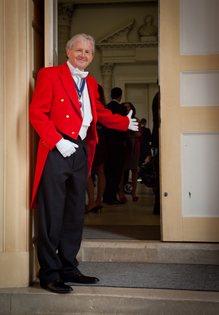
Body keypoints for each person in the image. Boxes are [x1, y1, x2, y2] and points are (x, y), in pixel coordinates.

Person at [29, 33, 138, 294]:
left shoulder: (90, 82)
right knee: (52, 214)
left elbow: (97, 112)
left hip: (80, 151)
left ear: (91, 56)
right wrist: (56, 140)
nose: (83, 55)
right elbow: (37, 112)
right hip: (58, 149)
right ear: (68, 51)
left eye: (88, 52)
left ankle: (69, 267)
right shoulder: (49, 74)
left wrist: (123, 122)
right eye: (78, 50)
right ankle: (49, 273)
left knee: (75, 212)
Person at [102, 87, 128, 205]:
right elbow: (123, 127)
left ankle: (105, 196)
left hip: (106, 143)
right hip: (118, 144)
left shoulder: (106, 107)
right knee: (116, 171)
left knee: (106, 170)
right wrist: (124, 140)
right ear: (120, 96)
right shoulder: (121, 108)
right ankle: (111, 197)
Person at [85, 85, 108, 213]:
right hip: (101, 139)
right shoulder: (102, 106)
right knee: (100, 172)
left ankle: (92, 202)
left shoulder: (89, 104)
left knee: (86, 171)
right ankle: (99, 200)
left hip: (91, 137)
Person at [118, 102, 142, 202]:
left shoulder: (136, 120)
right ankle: (121, 193)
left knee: (134, 170)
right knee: (122, 171)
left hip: (134, 147)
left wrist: (132, 134)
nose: (126, 108)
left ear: (132, 108)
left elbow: (140, 134)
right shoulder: (120, 119)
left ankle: (134, 193)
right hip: (125, 147)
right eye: (125, 107)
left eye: (128, 106)